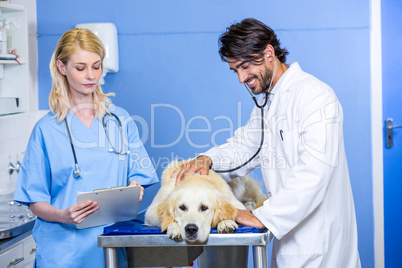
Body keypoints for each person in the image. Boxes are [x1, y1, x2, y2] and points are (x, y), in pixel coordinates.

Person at [175, 18, 361, 267]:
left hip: (320, 242)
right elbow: (245, 147)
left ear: (268, 53)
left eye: (245, 66)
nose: (241, 79)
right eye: (235, 71)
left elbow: (314, 174)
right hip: (291, 241)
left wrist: (262, 216)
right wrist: (208, 160)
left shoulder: (316, 97)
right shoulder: (268, 103)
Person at [14, 28, 158, 267]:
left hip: (111, 247)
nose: (91, 75)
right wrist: (63, 215)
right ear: (62, 67)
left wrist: (135, 188)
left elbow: (138, 175)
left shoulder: (120, 121)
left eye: (96, 66)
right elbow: (34, 200)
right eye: (80, 68)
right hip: (63, 252)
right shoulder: (45, 130)